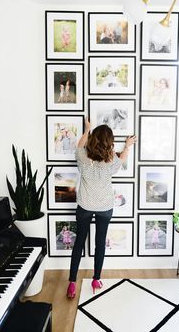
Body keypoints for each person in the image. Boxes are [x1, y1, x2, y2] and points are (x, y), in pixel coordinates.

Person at [66, 118, 136, 298]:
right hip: (104, 207)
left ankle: (72, 283)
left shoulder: (82, 157)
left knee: (79, 242)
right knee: (100, 243)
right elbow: (123, 157)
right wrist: (127, 145)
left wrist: (87, 129)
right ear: (109, 143)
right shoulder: (112, 162)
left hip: (84, 206)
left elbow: (80, 145)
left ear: (94, 139)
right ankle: (96, 279)